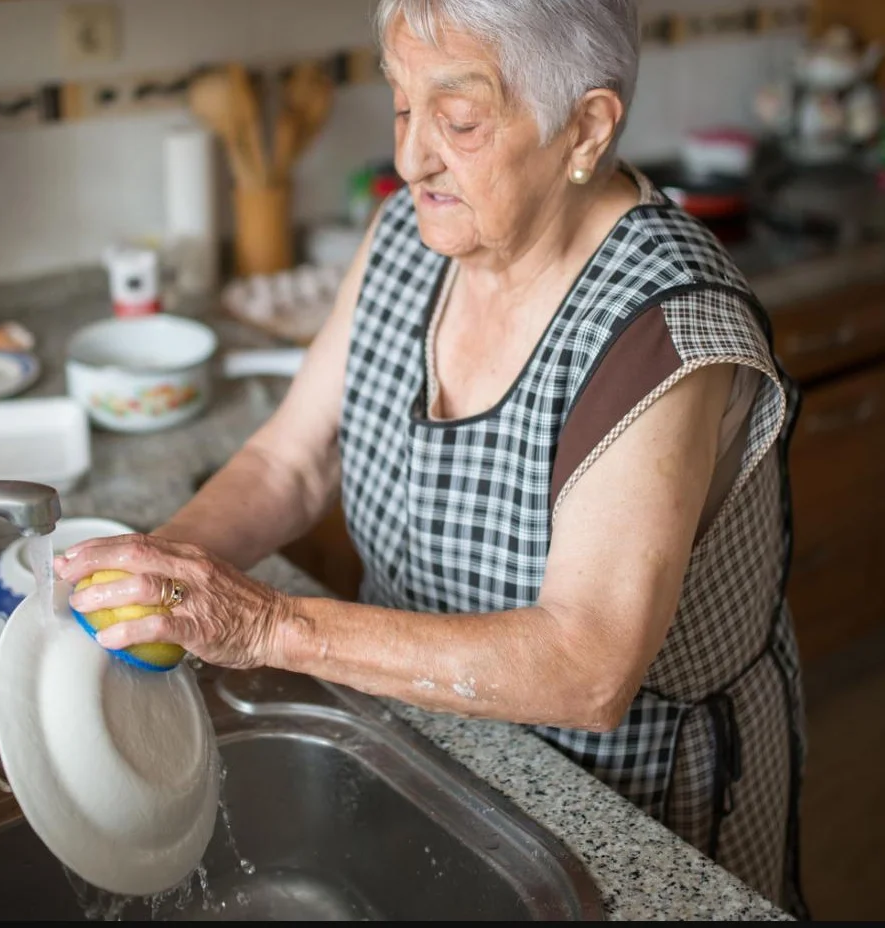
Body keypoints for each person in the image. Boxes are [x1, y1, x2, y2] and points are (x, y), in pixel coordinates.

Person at [54, 0, 806, 913]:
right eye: (402, 106)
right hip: (419, 745)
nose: (409, 158)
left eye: (457, 121)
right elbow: (291, 460)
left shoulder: (665, 331)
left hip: (627, 806)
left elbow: (586, 666)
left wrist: (265, 628)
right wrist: (150, 580)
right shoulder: (410, 239)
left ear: (586, 126)